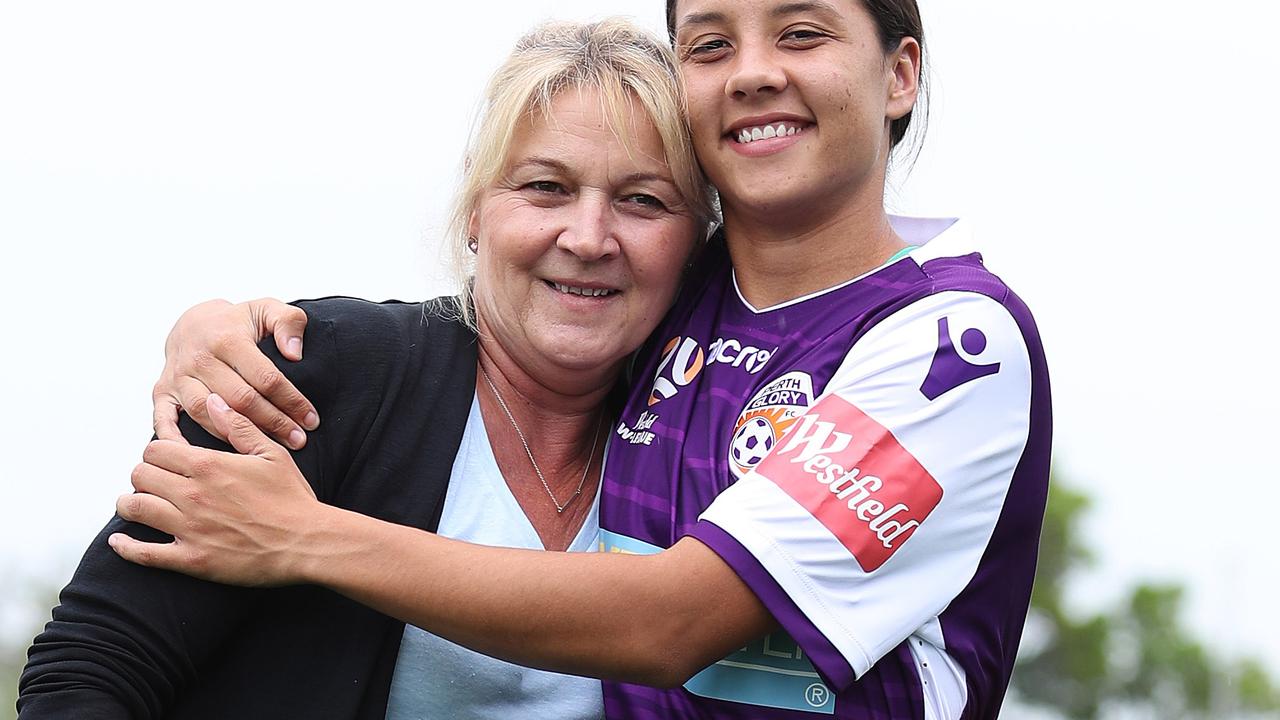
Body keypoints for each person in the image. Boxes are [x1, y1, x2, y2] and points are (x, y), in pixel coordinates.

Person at [81, 0, 1051, 718]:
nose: (753, 71)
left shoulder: (949, 347)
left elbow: (669, 624)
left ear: (898, 74)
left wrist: (302, 535)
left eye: (800, 33)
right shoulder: (666, 308)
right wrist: (220, 325)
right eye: (710, 43)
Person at [18, 19, 714, 719]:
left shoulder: (712, 434)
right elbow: (87, 670)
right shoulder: (311, 374)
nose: (589, 238)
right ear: (476, 212)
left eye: (643, 200)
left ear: (698, 241)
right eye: (546, 188)